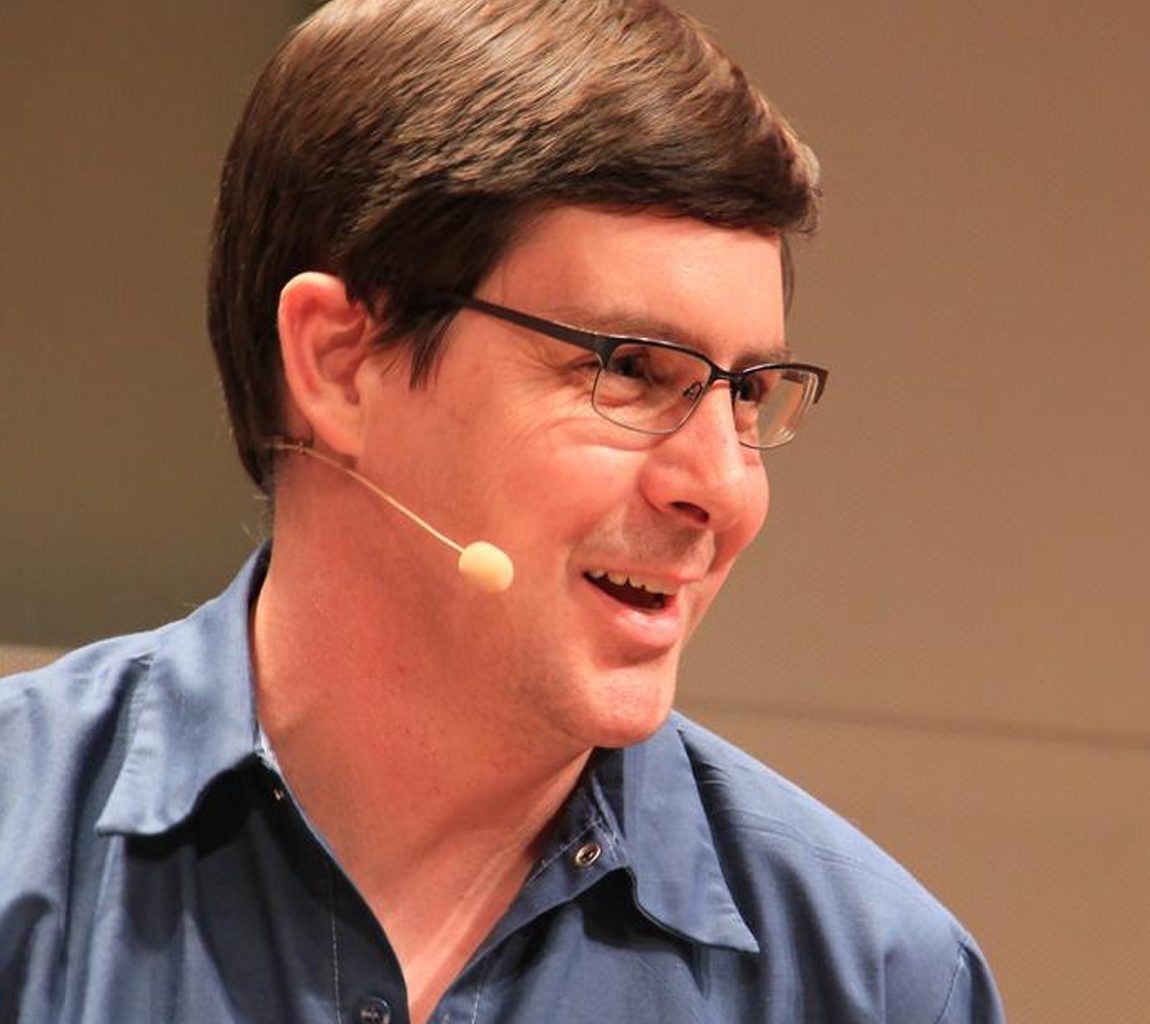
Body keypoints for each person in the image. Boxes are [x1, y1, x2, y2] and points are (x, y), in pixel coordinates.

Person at [0, 1, 1006, 1021]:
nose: (724, 488)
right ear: (340, 364)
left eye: (745, 392)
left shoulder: (877, 985)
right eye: (628, 369)